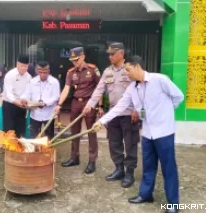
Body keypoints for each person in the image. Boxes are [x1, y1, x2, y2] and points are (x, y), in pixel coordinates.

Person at [93, 55, 184, 213]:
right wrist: (102, 121)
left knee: (169, 168)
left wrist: (166, 113)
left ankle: (173, 204)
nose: (126, 73)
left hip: (164, 132)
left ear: (137, 67)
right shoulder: (132, 88)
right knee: (148, 166)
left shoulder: (159, 80)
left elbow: (178, 96)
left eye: (128, 70)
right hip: (148, 133)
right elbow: (119, 107)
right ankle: (145, 194)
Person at [83, 42, 140, 188]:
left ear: (121, 53)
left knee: (130, 144)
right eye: (108, 54)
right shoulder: (107, 71)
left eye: (112, 54)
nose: (110, 56)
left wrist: (137, 109)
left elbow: (140, 89)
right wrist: (90, 104)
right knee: (114, 143)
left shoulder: (130, 69)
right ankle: (119, 169)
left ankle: (130, 173)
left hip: (129, 114)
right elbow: (99, 89)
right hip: (113, 113)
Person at [54, 47, 102, 174]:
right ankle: (74, 157)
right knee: (74, 131)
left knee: (91, 132)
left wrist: (100, 106)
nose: (74, 62)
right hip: (75, 103)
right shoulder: (71, 72)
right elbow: (66, 88)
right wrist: (59, 104)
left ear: (83, 57)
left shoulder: (92, 69)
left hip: (89, 103)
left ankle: (92, 161)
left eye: (76, 60)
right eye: (72, 60)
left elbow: (100, 87)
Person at [21, 61, 60, 139]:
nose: (42, 74)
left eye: (45, 73)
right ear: (37, 71)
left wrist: (45, 103)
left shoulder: (54, 82)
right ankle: (35, 150)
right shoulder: (32, 81)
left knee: (49, 137)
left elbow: (56, 97)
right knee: (34, 136)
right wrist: (24, 99)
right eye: (40, 72)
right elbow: (27, 93)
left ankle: (48, 150)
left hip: (49, 114)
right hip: (35, 114)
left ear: (48, 71)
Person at [2, 54, 32, 137]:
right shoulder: (10, 75)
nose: (24, 68)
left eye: (26, 66)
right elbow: (8, 93)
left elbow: (28, 91)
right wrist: (16, 102)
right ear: (17, 64)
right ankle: (8, 149)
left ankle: (19, 147)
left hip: (22, 105)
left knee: (20, 128)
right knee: (9, 129)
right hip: (9, 105)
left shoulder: (28, 77)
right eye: (22, 66)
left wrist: (24, 100)